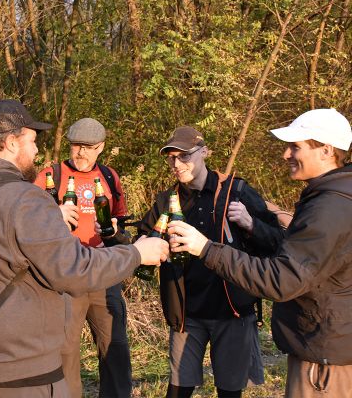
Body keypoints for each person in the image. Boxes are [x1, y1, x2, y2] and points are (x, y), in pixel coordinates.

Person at [0, 99, 168, 398]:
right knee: (68, 353)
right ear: (12, 142)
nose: (38, 150)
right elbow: (72, 268)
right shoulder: (25, 196)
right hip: (19, 373)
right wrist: (137, 254)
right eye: (32, 140)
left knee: (114, 346)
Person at [168, 109, 352, 398]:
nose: (285, 155)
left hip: (324, 355)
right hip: (320, 345)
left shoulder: (328, 207)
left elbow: (282, 276)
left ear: (326, 151)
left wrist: (209, 246)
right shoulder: (329, 198)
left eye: (295, 146)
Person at [137, 126, 284, 398]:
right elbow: (141, 245)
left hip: (233, 312)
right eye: (171, 158)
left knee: (229, 392)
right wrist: (117, 239)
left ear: (205, 152)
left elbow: (276, 243)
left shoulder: (237, 191)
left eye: (184, 156)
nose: (177, 164)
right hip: (186, 315)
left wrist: (251, 224)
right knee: (178, 391)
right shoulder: (166, 202)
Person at [35, 118, 132, 398]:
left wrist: (116, 233)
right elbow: (27, 219)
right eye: (76, 146)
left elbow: (120, 222)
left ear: (101, 147)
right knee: (66, 350)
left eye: (88, 147)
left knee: (114, 346)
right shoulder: (50, 175)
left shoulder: (110, 177)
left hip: (104, 271)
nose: (81, 153)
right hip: (66, 274)